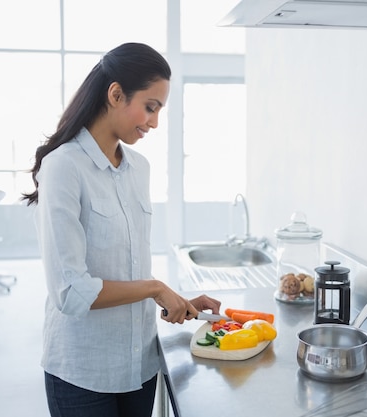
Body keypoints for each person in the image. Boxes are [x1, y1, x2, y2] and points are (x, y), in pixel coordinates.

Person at [22, 42, 221, 417]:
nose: (154, 122)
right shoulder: (64, 167)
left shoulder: (139, 168)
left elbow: (124, 269)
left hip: (139, 368)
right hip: (83, 374)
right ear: (115, 94)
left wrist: (178, 301)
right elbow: (70, 292)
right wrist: (156, 288)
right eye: (150, 107)